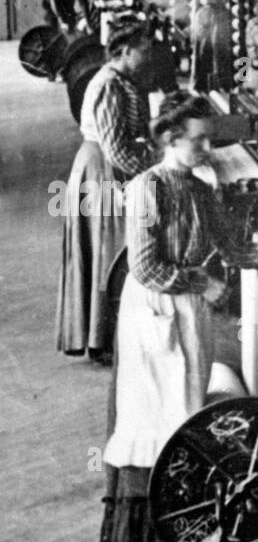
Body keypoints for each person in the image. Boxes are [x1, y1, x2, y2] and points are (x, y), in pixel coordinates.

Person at [99, 93, 258, 542]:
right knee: (152, 416)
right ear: (170, 138)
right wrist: (203, 282)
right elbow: (146, 266)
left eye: (209, 139)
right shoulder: (147, 188)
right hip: (155, 310)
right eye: (198, 140)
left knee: (183, 413)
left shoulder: (199, 188)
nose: (208, 148)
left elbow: (231, 246)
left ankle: (177, 532)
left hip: (188, 310)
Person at [56, 20, 153, 359]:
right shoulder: (110, 84)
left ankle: (104, 336)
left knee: (107, 249)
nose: (149, 56)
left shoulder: (120, 79)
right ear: (124, 51)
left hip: (104, 166)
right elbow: (117, 150)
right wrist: (154, 169)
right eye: (144, 50)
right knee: (109, 250)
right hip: (102, 170)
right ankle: (103, 339)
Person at [188, 0, 231, 92]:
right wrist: (193, 24)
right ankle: (201, 86)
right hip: (203, 15)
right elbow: (195, 2)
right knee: (202, 49)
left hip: (220, 14)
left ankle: (221, 86)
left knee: (219, 50)